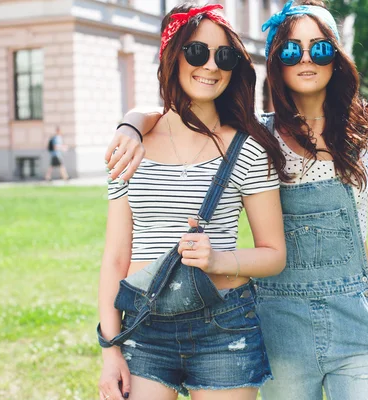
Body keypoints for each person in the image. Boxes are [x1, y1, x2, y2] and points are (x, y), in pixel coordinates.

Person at [105, 1, 368, 399]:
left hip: (344, 316)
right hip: (273, 320)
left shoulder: (366, 134)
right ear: (275, 61)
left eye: (321, 48)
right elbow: (170, 113)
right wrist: (132, 121)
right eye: (292, 50)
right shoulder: (263, 134)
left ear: (338, 57)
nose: (307, 58)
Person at [97, 5, 287, 400]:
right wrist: (110, 349)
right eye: (197, 52)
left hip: (225, 326)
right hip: (145, 328)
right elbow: (115, 257)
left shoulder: (248, 148)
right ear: (173, 56)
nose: (211, 66)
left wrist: (218, 259)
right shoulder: (131, 147)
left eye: (225, 56)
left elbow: (274, 255)